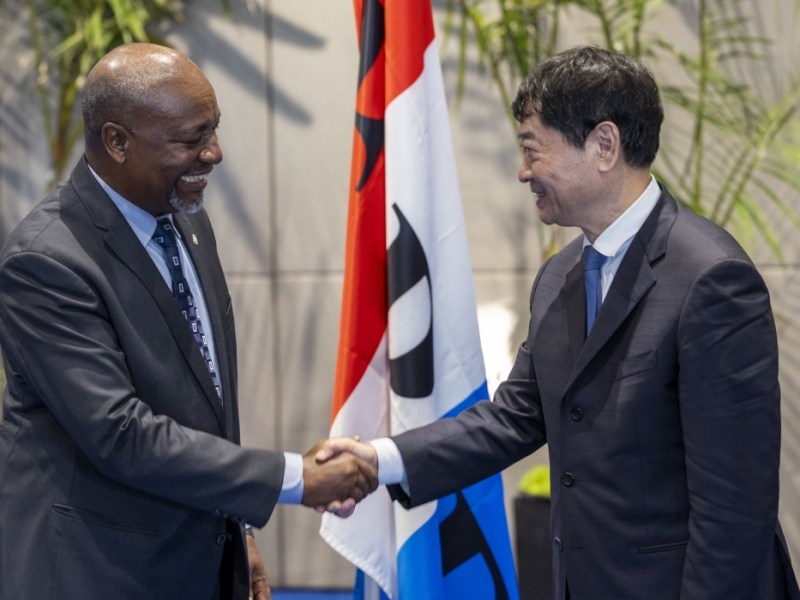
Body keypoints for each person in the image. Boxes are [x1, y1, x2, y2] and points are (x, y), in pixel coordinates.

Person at [319, 46, 800, 599]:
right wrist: (378, 458)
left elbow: (735, 508)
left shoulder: (713, 279)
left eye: (532, 150)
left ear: (603, 145)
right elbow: (515, 418)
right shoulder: (560, 275)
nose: (523, 173)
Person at [0, 43, 376, 600]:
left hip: (198, 556)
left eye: (214, 130)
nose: (215, 153)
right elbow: (120, 433)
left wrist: (236, 528)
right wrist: (294, 478)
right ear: (117, 142)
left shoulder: (185, 223)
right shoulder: (46, 261)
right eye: (191, 138)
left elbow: (204, 402)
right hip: (98, 572)